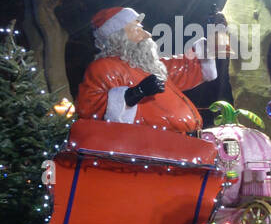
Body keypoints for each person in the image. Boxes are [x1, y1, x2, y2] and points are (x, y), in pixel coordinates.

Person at [76, 7, 216, 134]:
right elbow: (90, 110)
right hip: (149, 149)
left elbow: (186, 67)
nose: (147, 35)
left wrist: (213, 33)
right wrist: (135, 93)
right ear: (119, 37)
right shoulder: (104, 67)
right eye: (137, 29)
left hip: (182, 143)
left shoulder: (150, 65)